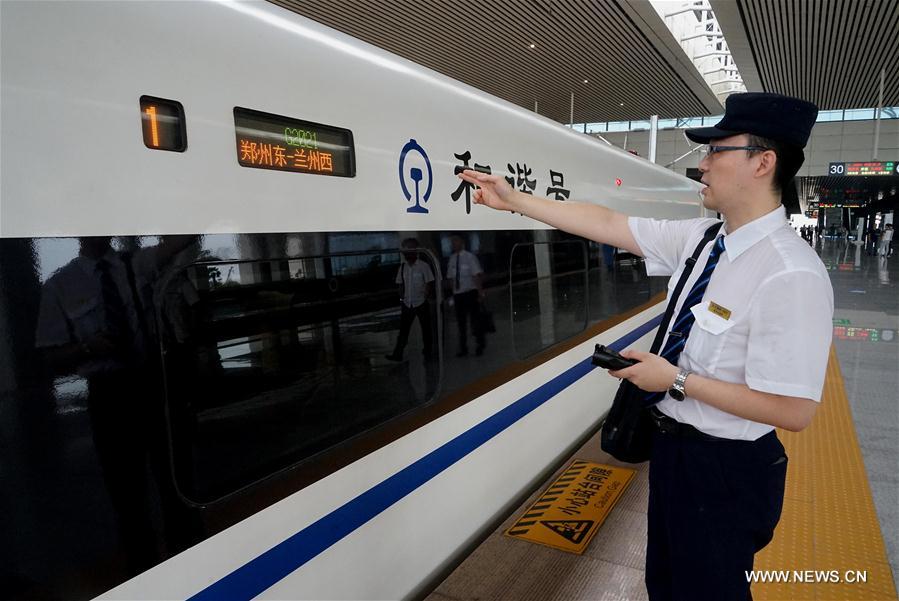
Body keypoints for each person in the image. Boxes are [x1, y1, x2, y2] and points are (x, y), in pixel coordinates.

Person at [459, 92, 833, 601]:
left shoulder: (790, 273)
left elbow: (794, 410)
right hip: (674, 449)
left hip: (726, 469)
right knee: (665, 584)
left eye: (716, 151)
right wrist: (516, 200)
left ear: (762, 162)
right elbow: (611, 224)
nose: (702, 165)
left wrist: (675, 380)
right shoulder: (704, 240)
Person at [386, 238, 435, 361]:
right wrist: (402, 298)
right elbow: (400, 284)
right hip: (407, 304)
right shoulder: (403, 268)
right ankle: (398, 354)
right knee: (403, 331)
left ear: (416, 250)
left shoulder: (424, 266)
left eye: (409, 249)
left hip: (421, 303)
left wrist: (426, 296)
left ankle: (428, 352)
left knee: (426, 329)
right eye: (405, 249)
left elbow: (429, 283)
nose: (406, 252)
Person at [446, 234, 486, 357]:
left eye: (455, 241)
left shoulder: (470, 257)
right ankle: (463, 348)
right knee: (461, 323)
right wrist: (452, 295)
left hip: (470, 293)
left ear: (462, 243)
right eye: (452, 242)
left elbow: (476, 276)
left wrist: (480, 293)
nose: (453, 244)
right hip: (458, 295)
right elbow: (451, 278)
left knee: (475, 320)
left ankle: (480, 344)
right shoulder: (452, 259)